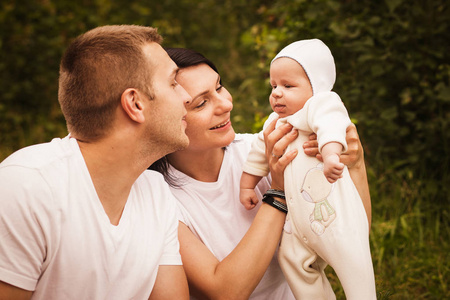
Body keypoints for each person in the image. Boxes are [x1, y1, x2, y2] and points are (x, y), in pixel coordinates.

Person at [150, 47, 372, 299]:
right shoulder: (156, 196)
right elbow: (224, 291)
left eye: (220, 87)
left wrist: (355, 165)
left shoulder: (271, 148)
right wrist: (277, 192)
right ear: (165, 117)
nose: (226, 104)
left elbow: (353, 233)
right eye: (201, 103)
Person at [0, 25, 190, 299]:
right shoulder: (26, 188)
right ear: (135, 104)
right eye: (173, 83)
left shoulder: (154, 192)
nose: (186, 96)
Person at [240, 39, 376, 299]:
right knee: (291, 260)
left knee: (356, 268)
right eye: (274, 86)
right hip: (298, 225)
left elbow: (332, 127)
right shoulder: (275, 121)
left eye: (288, 86)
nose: (277, 93)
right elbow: (259, 152)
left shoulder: (321, 106)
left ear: (318, 88)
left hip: (336, 220)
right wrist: (247, 184)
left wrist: (331, 155)